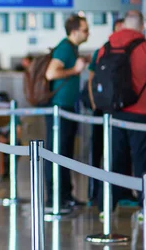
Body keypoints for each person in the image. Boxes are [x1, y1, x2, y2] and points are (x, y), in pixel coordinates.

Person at [95, 10, 146, 212]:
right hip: (142, 114)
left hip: (113, 114)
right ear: (142, 26)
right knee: (141, 159)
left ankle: (107, 206)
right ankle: (145, 207)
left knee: (114, 159)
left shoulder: (106, 47)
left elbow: (99, 80)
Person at [44, 14, 90, 208]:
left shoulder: (72, 48)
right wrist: (75, 70)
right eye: (85, 30)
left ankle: (66, 195)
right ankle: (54, 198)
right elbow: (51, 73)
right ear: (74, 31)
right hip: (59, 108)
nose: (88, 33)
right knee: (57, 152)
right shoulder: (64, 47)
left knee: (66, 153)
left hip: (67, 108)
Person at [87, 18, 125, 203]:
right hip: (102, 109)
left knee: (119, 151)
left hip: (120, 110)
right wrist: (96, 104)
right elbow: (92, 78)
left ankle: (119, 193)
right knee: (98, 150)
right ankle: (95, 193)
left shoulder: (131, 51)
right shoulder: (102, 50)